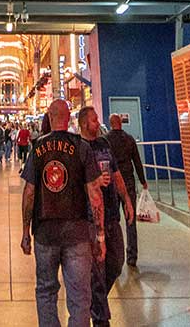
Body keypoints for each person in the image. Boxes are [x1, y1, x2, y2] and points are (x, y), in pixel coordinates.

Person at [21, 99, 106, 327]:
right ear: (69, 118)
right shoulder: (82, 147)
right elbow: (95, 194)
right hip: (77, 233)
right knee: (80, 297)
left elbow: (29, 192)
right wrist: (100, 236)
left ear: (49, 117)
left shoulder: (38, 148)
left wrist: (25, 232)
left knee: (46, 291)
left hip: (45, 232)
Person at [79, 107, 134, 327]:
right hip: (91, 221)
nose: (98, 122)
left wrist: (127, 199)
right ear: (84, 124)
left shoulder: (104, 144)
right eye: (94, 120)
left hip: (112, 214)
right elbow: (74, 185)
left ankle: (94, 300)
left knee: (116, 263)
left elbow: (116, 173)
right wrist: (92, 184)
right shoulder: (78, 149)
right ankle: (101, 319)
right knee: (97, 272)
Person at [104, 114, 147, 267]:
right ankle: (132, 256)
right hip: (128, 182)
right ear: (120, 123)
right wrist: (143, 181)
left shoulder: (106, 141)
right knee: (131, 220)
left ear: (110, 124)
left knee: (112, 221)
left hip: (113, 184)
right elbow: (137, 161)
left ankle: (113, 255)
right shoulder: (129, 139)